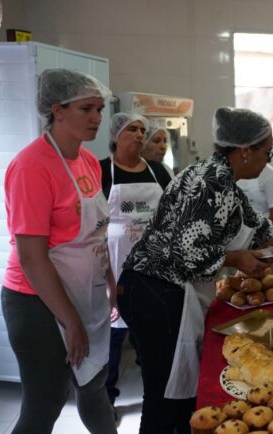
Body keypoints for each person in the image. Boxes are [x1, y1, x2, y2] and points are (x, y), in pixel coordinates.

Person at [117, 107, 273, 434]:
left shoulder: (221, 180)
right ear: (245, 150)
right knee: (162, 403)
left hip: (153, 289)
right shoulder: (212, 183)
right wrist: (236, 258)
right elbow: (186, 254)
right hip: (157, 292)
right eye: (267, 152)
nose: (268, 160)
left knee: (179, 402)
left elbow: (265, 232)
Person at [1, 69, 122, 434]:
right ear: (57, 110)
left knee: (93, 386)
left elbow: (95, 233)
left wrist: (111, 286)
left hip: (81, 293)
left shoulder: (87, 161)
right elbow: (32, 256)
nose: (96, 118)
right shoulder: (32, 166)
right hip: (35, 301)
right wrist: (70, 320)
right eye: (86, 108)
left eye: (100, 109)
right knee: (45, 402)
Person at [100, 112, 172, 415]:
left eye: (144, 129)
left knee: (153, 337)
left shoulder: (159, 171)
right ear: (117, 135)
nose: (140, 134)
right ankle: (106, 401)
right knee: (112, 338)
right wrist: (107, 282)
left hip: (155, 269)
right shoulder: (101, 171)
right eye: (133, 129)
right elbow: (92, 226)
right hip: (113, 267)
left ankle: (156, 400)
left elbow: (173, 216)